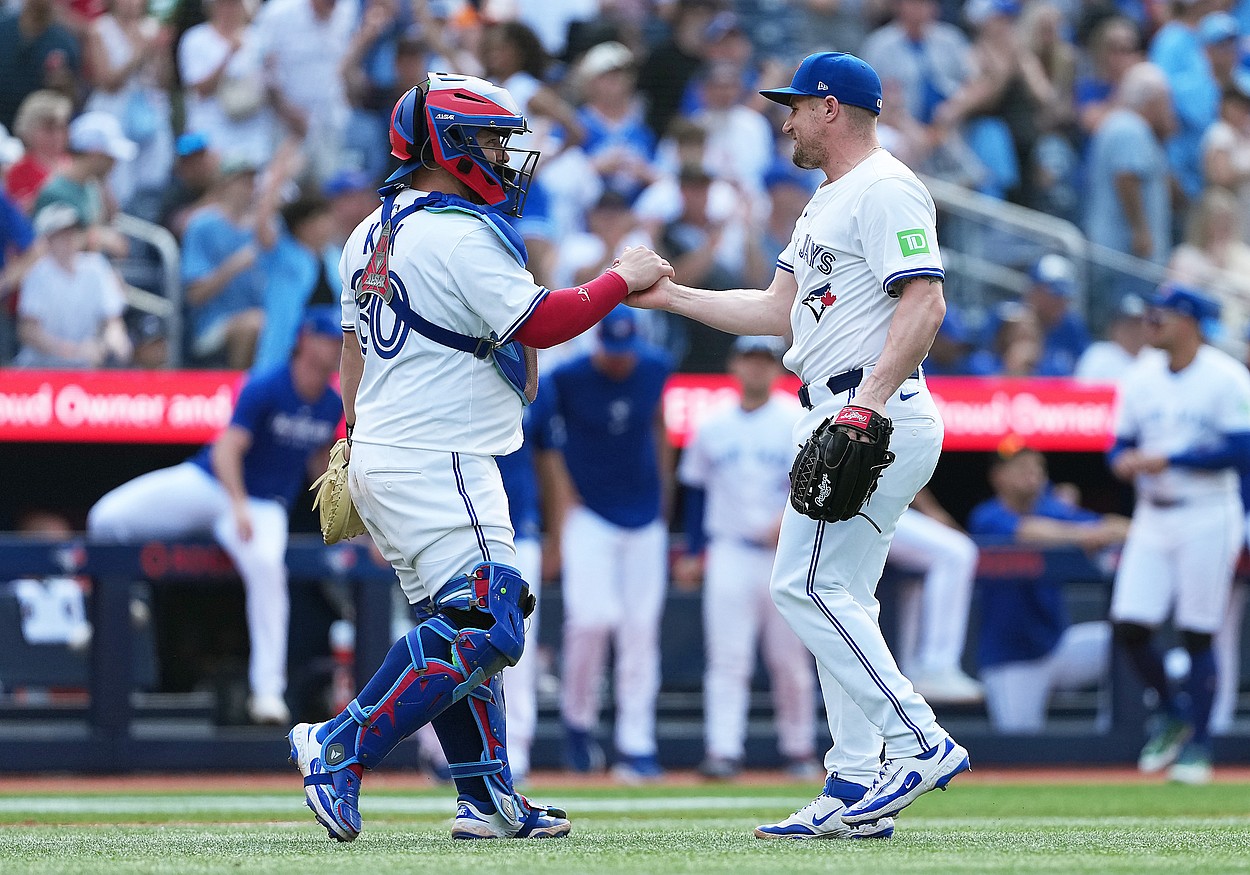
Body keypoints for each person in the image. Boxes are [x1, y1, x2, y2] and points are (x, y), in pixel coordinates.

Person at [285, 73, 672, 843]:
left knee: (456, 623)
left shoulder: (370, 228)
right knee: (489, 623)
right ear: (450, 145)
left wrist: (352, 437)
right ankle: (338, 743)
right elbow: (546, 320)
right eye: (490, 140)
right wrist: (622, 278)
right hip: (441, 454)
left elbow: (355, 351)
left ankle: (487, 798)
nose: (503, 155)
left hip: (393, 448)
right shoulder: (459, 231)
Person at [627, 52, 970, 841]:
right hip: (838, 405)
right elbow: (776, 307)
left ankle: (918, 740)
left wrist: (868, 404)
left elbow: (927, 299)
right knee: (839, 595)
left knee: (803, 587)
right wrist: (672, 294)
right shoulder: (827, 198)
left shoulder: (885, 186)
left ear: (829, 108)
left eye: (793, 105)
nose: (783, 119)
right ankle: (852, 781)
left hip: (869, 406)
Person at [87, 310, 345, 725]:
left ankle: (267, 693)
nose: (334, 348)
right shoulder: (268, 384)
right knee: (107, 518)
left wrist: (340, 517)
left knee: (267, 569)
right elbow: (227, 450)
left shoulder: (331, 403)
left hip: (264, 505)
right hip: (214, 484)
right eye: (327, 339)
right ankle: (108, 610)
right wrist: (237, 503)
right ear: (304, 340)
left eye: (338, 341)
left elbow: (317, 463)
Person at [1108, 283, 1250, 784]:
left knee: (1197, 632)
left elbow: (1242, 450)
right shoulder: (1140, 375)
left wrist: (1174, 458)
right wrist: (1121, 460)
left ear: (1188, 322)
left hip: (1208, 510)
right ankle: (1173, 713)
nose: (1151, 324)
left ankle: (1201, 746)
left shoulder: (1225, 377)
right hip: (1153, 510)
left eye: (1160, 316)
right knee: (1129, 626)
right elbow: (1118, 440)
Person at [533, 305, 674, 784]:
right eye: (611, 351)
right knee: (591, 620)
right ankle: (578, 721)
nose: (620, 361)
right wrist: (563, 514)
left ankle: (638, 743)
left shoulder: (654, 366)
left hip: (643, 511)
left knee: (640, 631)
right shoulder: (567, 378)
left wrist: (665, 500)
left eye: (626, 351)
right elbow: (548, 451)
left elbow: (658, 428)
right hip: (588, 510)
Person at [675, 335, 821, 781]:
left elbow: (817, 485)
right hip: (730, 550)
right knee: (727, 657)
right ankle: (723, 750)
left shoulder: (797, 421)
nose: (756, 368)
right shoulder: (713, 423)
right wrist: (693, 551)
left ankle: (798, 749)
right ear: (735, 365)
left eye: (764, 361)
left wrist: (792, 522)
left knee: (790, 658)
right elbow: (696, 493)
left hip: (784, 553)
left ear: (777, 367)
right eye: (749, 359)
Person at [967, 447, 1127, 733]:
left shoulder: (1051, 509)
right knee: (1020, 751)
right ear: (998, 476)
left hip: (1057, 647)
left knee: (1124, 641)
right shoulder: (987, 515)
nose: (1032, 472)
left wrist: (1153, 530)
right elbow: (1027, 531)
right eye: (1021, 466)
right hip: (1012, 659)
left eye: (1037, 466)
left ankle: (1116, 738)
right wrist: (1082, 535)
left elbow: (1113, 526)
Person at [887, 489, 983, 704]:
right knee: (957, 553)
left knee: (920, 573)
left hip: (860, 504)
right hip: (849, 509)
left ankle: (913, 672)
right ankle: (935, 667)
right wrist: (931, 511)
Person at [15, 203, 131, 368]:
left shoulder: (96, 266)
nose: (68, 238)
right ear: (48, 238)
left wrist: (114, 342)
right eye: (61, 233)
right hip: (39, 369)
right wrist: (72, 352)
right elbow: (29, 331)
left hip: (84, 368)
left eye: (71, 231)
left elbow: (113, 321)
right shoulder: (37, 273)